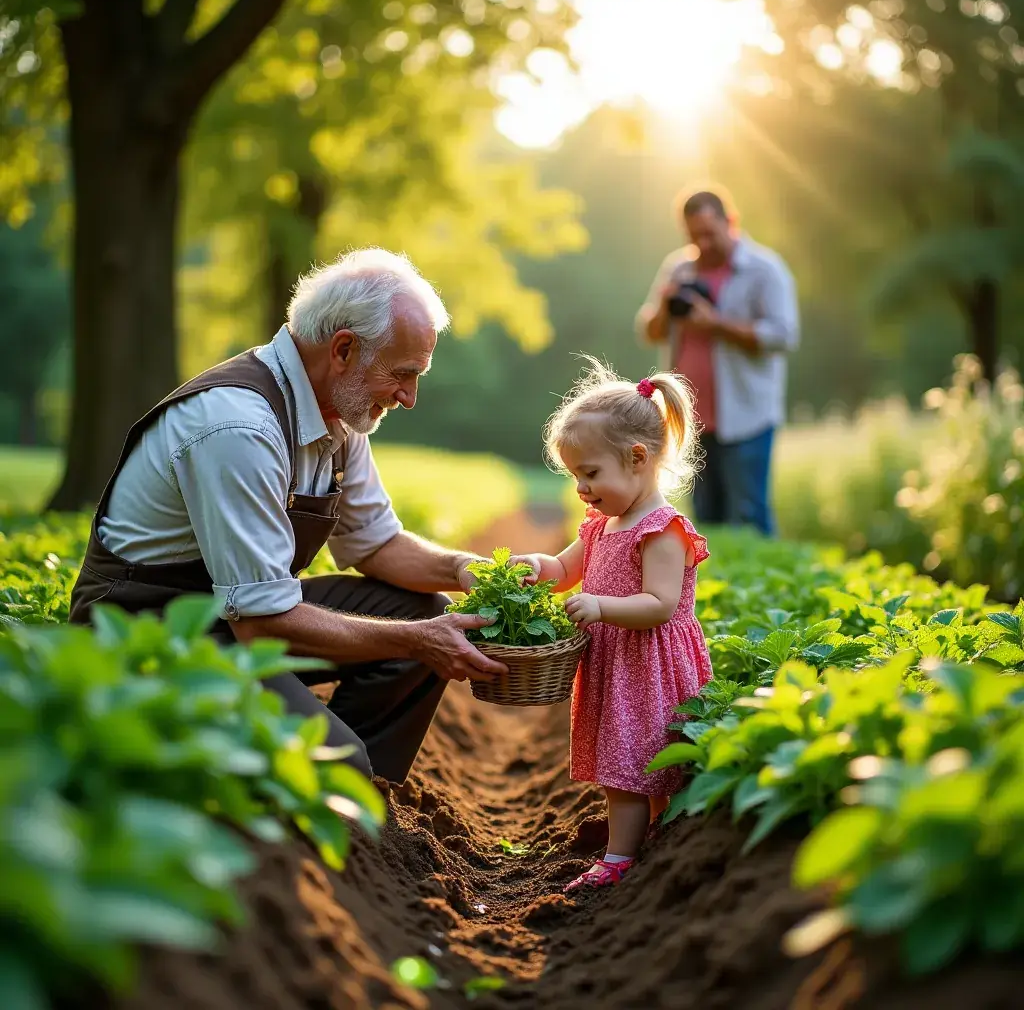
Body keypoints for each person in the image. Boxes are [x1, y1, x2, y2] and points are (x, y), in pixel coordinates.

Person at [68, 247, 505, 784]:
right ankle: (322, 784)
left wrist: (465, 570)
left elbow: (375, 544)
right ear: (343, 348)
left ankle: (362, 807)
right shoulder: (238, 427)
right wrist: (419, 640)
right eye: (403, 373)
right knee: (342, 758)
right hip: (152, 637)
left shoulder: (339, 413)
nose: (410, 397)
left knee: (420, 611)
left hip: (226, 619)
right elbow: (262, 621)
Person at [509, 362, 713, 891]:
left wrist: (599, 607)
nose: (581, 487)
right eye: (575, 476)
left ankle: (627, 855)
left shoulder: (661, 530)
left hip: (649, 667)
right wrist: (539, 567)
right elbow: (566, 570)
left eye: (591, 474)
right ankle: (641, 847)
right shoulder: (602, 524)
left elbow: (661, 605)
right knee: (620, 765)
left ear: (638, 458)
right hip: (616, 666)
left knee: (645, 768)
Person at [635, 187, 799, 535]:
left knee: (749, 513)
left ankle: (767, 586)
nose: (704, 244)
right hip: (690, 418)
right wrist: (666, 306)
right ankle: (713, 586)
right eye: (695, 236)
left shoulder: (765, 269)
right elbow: (649, 331)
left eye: (710, 234)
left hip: (747, 416)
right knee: (703, 519)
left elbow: (785, 335)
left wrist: (716, 324)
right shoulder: (677, 268)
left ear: (731, 221)